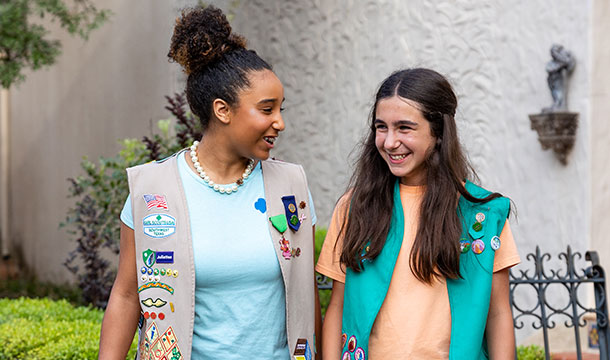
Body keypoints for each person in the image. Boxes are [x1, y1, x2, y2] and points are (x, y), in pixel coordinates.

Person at [99, 6, 321, 360]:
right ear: (223, 110)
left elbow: (305, 292)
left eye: (281, 109)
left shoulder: (291, 186)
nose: (279, 122)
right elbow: (127, 295)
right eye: (267, 109)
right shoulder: (152, 188)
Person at [316, 68, 520, 360]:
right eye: (381, 127)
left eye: (404, 128)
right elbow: (337, 306)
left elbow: (498, 313)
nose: (389, 142)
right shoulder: (355, 207)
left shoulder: (482, 214)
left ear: (437, 133)